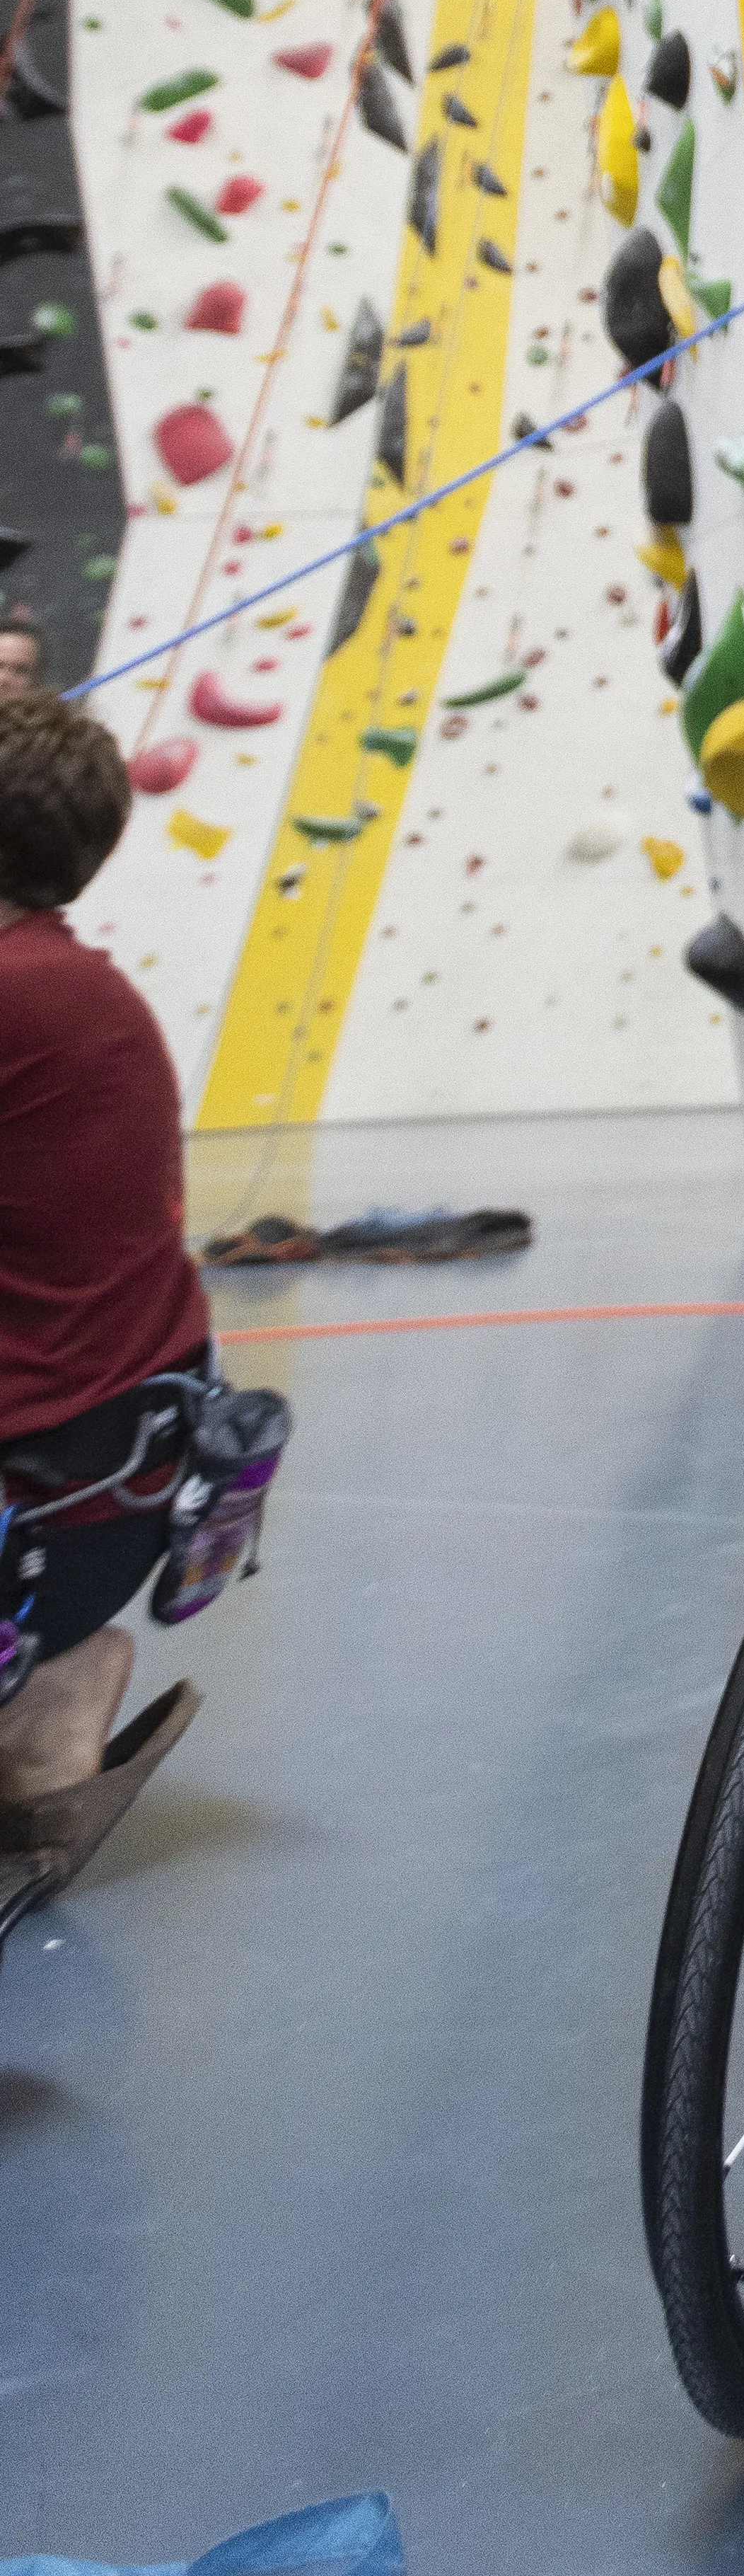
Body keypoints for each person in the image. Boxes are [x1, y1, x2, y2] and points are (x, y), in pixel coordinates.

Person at [0, 692, 207, 1907]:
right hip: (114, 1491)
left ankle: (55, 1678)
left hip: (48, 1504)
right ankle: (60, 1684)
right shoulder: (78, 985)